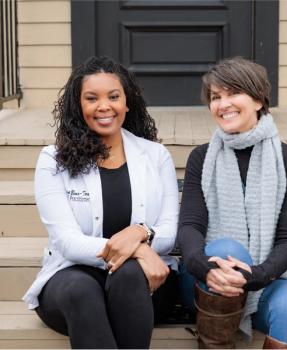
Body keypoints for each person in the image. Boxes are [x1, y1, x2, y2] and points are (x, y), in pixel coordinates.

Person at [23, 56, 179, 349]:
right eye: (91, 98)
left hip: (145, 285)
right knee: (82, 290)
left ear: (127, 102)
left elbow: (169, 232)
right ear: (78, 106)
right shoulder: (52, 160)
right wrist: (139, 251)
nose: (104, 106)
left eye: (114, 97)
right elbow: (68, 242)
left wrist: (141, 233)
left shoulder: (156, 156)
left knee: (130, 275)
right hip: (72, 279)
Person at [177, 57, 287, 349]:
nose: (223, 104)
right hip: (204, 280)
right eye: (216, 97)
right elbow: (190, 226)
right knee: (227, 251)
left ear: (259, 99)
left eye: (233, 93)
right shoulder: (202, 159)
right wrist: (204, 267)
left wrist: (257, 275)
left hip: (264, 278)